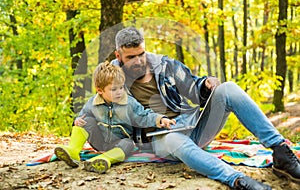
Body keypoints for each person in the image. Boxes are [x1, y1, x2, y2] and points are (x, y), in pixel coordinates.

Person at [108, 26, 299, 189]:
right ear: (118, 55)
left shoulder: (164, 66)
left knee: (228, 89)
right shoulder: (111, 79)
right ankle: (238, 180)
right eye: (131, 57)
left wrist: (205, 85)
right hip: (161, 138)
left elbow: (193, 88)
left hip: (192, 128)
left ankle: (280, 151)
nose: (139, 61)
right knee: (173, 139)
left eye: (141, 54)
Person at [55, 61, 175, 174]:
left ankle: (103, 160)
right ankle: (73, 152)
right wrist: (77, 120)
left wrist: (160, 119)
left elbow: (144, 115)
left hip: (119, 144)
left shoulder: (129, 103)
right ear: (100, 90)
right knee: (85, 121)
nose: (119, 92)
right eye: (113, 89)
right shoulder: (93, 103)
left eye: (121, 87)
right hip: (99, 141)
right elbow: (82, 116)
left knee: (128, 143)